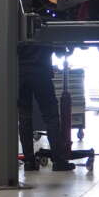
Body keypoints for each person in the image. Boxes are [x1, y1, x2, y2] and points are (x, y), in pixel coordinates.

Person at [18, 43, 74, 172]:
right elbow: (61, 52)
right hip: (41, 74)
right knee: (51, 117)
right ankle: (59, 161)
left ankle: (29, 162)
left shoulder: (18, 26)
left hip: (21, 75)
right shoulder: (44, 26)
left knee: (24, 118)